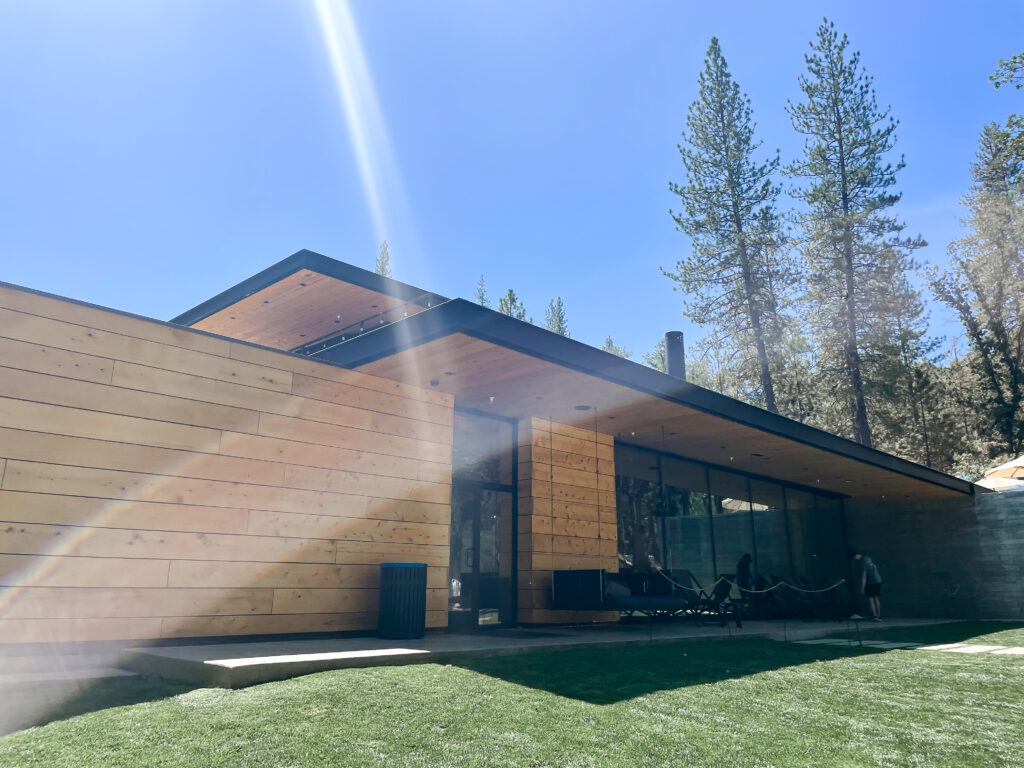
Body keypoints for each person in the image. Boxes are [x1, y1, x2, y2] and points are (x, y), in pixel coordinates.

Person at [850, 550, 883, 621]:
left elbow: (864, 576)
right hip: (878, 580)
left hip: (871, 582)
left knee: (871, 599)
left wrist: (862, 587)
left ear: (857, 555)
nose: (855, 558)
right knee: (876, 598)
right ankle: (879, 615)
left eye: (854, 557)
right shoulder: (868, 558)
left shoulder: (863, 562)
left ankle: (875, 616)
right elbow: (875, 568)